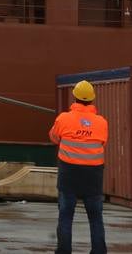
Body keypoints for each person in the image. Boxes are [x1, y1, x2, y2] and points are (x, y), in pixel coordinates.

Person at [49, 79, 108, 254]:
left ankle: (64, 251)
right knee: (96, 218)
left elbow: (53, 137)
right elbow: (102, 143)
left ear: (74, 98)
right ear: (92, 100)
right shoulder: (101, 122)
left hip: (69, 175)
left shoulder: (64, 118)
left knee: (66, 216)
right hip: (93, 176)